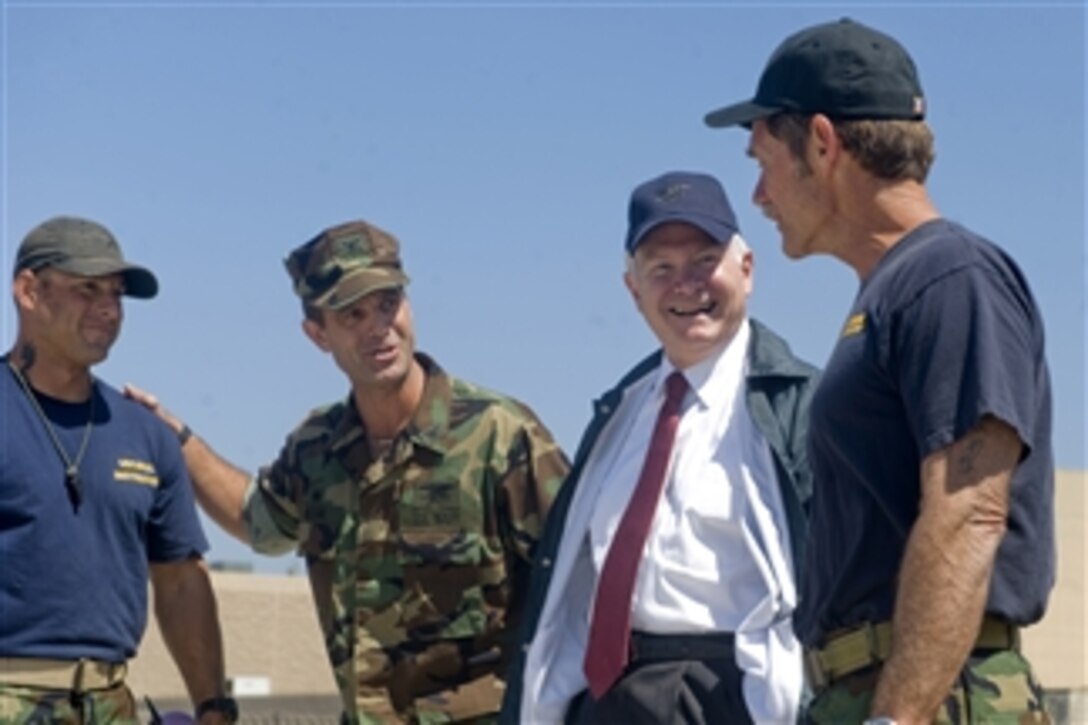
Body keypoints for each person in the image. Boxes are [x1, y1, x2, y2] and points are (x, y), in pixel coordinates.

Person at [704, 17, 1055, 725]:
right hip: (888, 688)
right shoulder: (899, 290)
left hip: (936, 696)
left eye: (763, 161)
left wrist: (895, 718)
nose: (759, 196)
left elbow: (969, 511)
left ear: (824, 145)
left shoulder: (949, 276)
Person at [126, 219, 570, 724]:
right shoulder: (317, 449)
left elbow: (579, 584)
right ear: (317, 334)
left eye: (389, 304)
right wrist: (176, 440)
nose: (379, 328)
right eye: (352, 315)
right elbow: (259, 522)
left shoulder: (499, 434)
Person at [501, 171, 819, 725]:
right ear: (633, 290)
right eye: (662, 270)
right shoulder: (617, 415)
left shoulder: (801, 407)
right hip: (610, 696)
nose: (686, 285)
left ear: (746, 270)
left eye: (704, 262)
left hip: (737, 695)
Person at [1, 216, 234, 724]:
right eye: (87, 289)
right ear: (28, 291)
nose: (108, 309)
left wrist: (213, 707)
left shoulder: (147, 435)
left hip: (112, 702)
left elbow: (178, 581)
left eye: (117, 294)